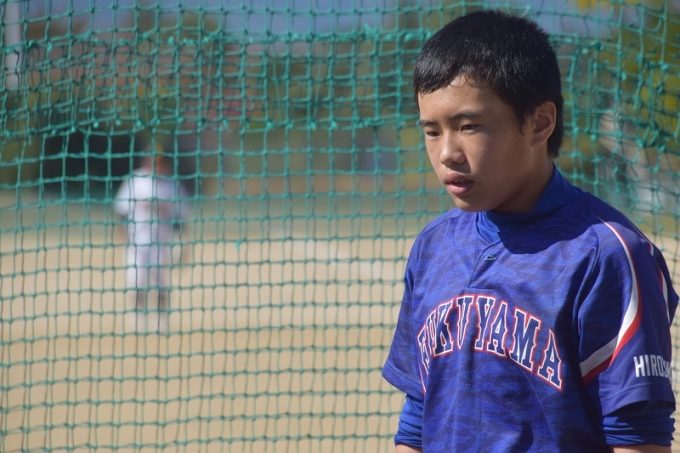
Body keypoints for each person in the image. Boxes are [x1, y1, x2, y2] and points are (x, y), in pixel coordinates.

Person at [382, 9, 677, 453]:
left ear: (539, 123)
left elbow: (637, 435)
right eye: (432, 131)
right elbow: (418, 416)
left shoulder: (607, 255)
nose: (447, 153)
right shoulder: (433, 245)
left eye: (469, 126)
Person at [114, 151, 190, 332]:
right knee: (136, 279)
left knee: (160, 280)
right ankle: (138, 318)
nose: (156, 166)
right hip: (136, 238)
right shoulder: (135, 180)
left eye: (160, 162)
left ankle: (161, 319)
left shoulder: (172, 184)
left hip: (162, 239)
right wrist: (121, 231)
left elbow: (180, 216)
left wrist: (182, 242)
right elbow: (122, 210)